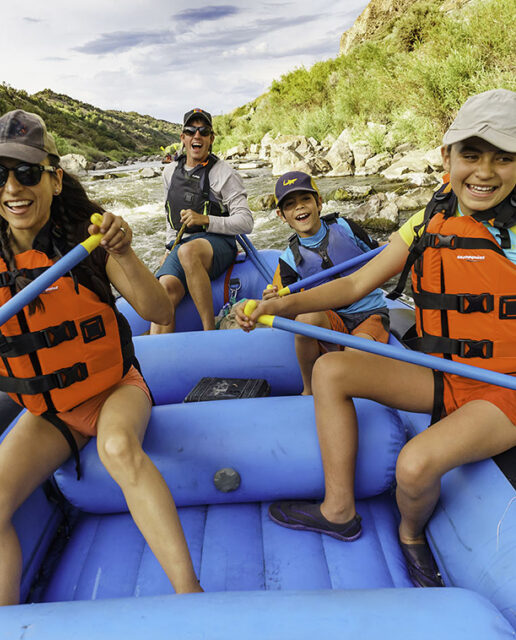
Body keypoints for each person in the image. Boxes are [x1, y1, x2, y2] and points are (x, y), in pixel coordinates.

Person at [237, 89, 516, 587]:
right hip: (445, 373)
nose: (485, 171)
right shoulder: (428, 218)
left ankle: (411, 535)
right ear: (446, 157)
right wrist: (275, 304)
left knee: (412, 467)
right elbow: (351, 285)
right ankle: (339, 509)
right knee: (331, 369)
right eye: (471, 155)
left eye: (504, 158)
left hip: (502, 392)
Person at [0, 109, 202, 608]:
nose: (11, 187)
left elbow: (158, 309)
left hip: (114, 390)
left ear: (54, 179)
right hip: (50, 409)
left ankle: (191, 594)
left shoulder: (92, 236)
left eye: (26, 172)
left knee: (118, 448)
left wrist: (122, 253)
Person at [266, 170, 389, 394]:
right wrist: (273, 301)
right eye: (291, 204)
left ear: (319, 203)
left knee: (352, 361)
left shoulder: (345, 227)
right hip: (332, 321)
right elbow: (288, 308)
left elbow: (376, 252)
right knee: (305, 318)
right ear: (282, 216)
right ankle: (309, 389)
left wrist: (393, 243)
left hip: (369, 313)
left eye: (305, 199)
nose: (300, 207)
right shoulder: (288, 260)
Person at [150, 108, 253, 333]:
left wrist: (206, 220)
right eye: (191, 130)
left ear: (211, 139)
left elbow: (246, 222)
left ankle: (209, 331)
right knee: (164, 289)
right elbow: (170, 218)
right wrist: (170, 247)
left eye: (204, 131)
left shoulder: (224, 173)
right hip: (183, 245)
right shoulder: (169, 173)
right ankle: (161, 356)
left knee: (189, 253)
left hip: (218, 242)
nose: (197, 135)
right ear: (183, 138)